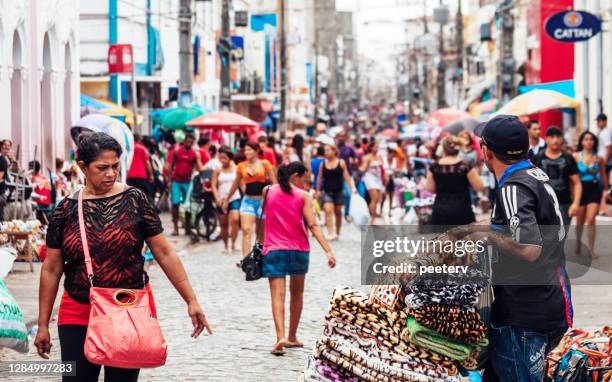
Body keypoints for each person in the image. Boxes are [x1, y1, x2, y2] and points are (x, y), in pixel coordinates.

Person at [35, 132, 211, 382]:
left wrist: (191, 300)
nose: (111, 173)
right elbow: (51, 269)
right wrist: (43, 324)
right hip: (78, 311)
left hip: (126, 310)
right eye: (102, 168)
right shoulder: (65, 209)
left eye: (115, 166)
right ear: (83, 167)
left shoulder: (135, 200)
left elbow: (164, 252)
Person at [460, 115, 572, 382]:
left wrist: (484, 235)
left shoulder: (512, 187)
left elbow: (528, 248)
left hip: (524, 314)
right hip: (547, 301)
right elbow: (514, 227)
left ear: (488, 151)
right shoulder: (533, 175)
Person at [262, 162, 336, 355]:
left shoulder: (267, 191)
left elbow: (264, 219)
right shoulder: (304, 196)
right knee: (297, 294)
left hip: (274, 249)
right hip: (299, 250)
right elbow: (313, 224)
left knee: (277, 295)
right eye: (304, 179)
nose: (306, 183)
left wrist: (260, 243)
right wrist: (328, 250)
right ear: (295, 176)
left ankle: (280, 337)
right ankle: (292, 337)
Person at [224, 142, 277, 259]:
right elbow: (235, 184)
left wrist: (278, 200)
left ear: (257, 150)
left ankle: (259, 257)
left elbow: (274, 184)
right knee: (246, 230)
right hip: (248, 201)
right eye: (245, 150)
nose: (247, 152)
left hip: (263, 202)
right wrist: (227, 200)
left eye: (249, 150)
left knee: (260, 234)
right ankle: (245, 259)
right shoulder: (241, 166)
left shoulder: (265, 164)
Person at [426, 136, 483, 227]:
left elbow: (430, 189)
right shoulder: (464, 166)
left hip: (440, 211)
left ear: (442, 149)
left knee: (443, 240)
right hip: (462, 210)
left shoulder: (434, 167)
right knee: (465, 240)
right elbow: (479, 187)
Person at [533, 126, 582, 226]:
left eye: (558, 137)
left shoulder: (568, 158)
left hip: (564, 204)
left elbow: (577, 183)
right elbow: (532, 182)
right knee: (545, 238)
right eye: (551, 137)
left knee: (560, 237)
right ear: (546, 139)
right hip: (542, 204)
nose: (555, 140)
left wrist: (576, 204)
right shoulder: (538, 158)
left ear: (562, 139)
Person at [574, 131, 608, 259]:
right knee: (580, 222)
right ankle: (577, 244)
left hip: (594, 190)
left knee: (591, 219)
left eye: (591, 139)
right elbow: (572, 177)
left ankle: (591, 250)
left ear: (594, 142)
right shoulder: (576, 156)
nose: (589, 141)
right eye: (586, 139)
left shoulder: (599, 158)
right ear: (582, 142)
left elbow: (603, 175)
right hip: (580, 191)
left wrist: (606, 191)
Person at [168, 133, 204, 236]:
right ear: (184, 141)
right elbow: (171, 166)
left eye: (191, 142)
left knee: (188, 206)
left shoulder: (195, 153)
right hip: (176, 181)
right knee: (175, 204)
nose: (189, 144)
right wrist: (169, 181)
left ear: (193, 143)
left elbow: (199, 166)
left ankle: (187, 228)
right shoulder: (177, 151)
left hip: (188, 182)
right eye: (188, 141)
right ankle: (176, 228)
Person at [315, 145, 353, 240]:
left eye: (328, 151)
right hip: (327, 191)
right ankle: (330, 233)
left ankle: (337, 232)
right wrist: (317, 190)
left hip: (339, 192)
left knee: (338, 212)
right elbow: (319, 177)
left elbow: (346, 176)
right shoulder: (323, 164)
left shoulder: (341, 162)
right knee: (328, 210)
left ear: (334, 151)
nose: (326, 153)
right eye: (325, 151)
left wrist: (352, 188)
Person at [211, 146, 241, 254]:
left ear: (230, 158)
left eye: (224, 158)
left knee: (235, 220)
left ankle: (233, 243)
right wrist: (217, 197)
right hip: (221, 199)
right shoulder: (218, 170)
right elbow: (213, 185)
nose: (222, 160)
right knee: (223, 224)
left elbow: (240, 184)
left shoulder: (237, 168)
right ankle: (225, 246)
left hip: (234, 198)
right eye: (221, 158)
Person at [359, 142, 387, 224]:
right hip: (370, 177)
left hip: (378, 178)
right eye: (375, 147)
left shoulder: (379, 157)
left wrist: (385, 175)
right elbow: (363, 167)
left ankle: (372, 215)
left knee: (377, 199)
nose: (377, 148)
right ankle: (372, 218)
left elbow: (382, 168)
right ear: (371, 148)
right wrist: (360, 168)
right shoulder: (367, 157)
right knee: (374, 198)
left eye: (377, 147)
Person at [29, 160, 53, 224]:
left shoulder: (32, 178)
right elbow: (50, 189)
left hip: (40, 203)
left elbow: (30, 190)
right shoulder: (44, 177)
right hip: (48, 203)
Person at [595, 113, 612, 183]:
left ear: (604, 121)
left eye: (599, 121)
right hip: (604, 162)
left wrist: (605, 162)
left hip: (606, 163)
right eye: (597, 121)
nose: (597, 123)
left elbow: (609, 148)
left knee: (604, 182)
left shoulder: (606, 132)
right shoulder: (603, 132)